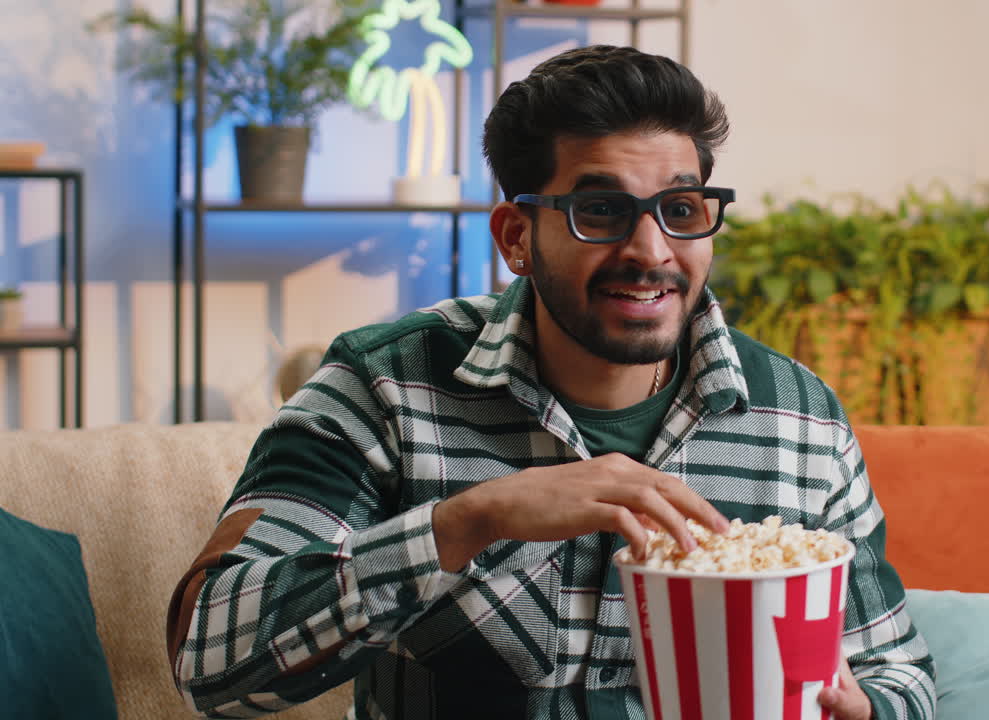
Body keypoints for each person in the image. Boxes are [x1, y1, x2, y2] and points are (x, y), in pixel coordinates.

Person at [166, 44, 936, 720]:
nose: (651, 249)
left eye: (680, 208)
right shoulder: (385, 387)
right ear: (515, 237)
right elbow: (208, 662)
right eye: (601, 211)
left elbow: (898, 672)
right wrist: (467, 522)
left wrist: (865, 708)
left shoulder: (800, 421)